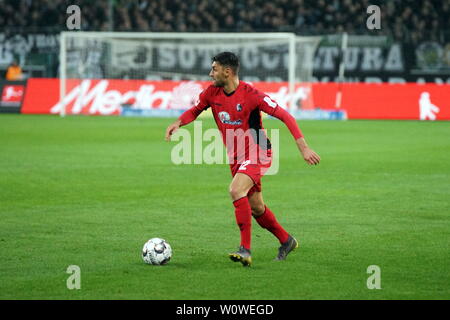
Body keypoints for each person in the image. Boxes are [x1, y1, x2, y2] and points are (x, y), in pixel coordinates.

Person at [165, 52, 320, 267]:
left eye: (214, 69)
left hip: (258, 151)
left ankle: (245, 249)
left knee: (236, 190)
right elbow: (195, 110)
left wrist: (303, 148)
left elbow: (286, 116)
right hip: (236, 156)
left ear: (227, 72)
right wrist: (178, 123)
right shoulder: (212, 93)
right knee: (256, 207)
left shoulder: (252, 95)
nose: (211, 74)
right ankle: (286, 240)